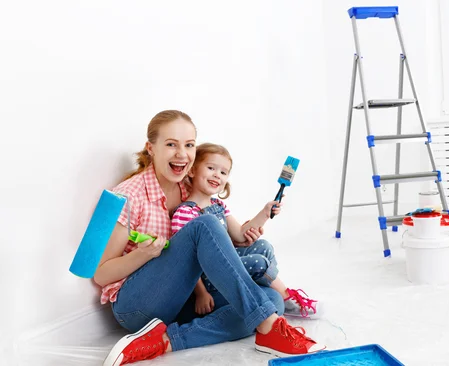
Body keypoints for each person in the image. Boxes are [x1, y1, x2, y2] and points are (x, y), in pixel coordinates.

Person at [94, 110, 325, 366]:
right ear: (152, 148)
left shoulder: (188, 185)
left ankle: (166, 341)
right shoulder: (129, 195)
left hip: (181, 300)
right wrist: (143, 253)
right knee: (205, 224)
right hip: (137, 306)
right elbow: (102, 274)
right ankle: (270, 329)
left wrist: (261, 217)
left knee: (269, 301)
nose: (182, 154)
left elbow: (222, 243)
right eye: (171, 144)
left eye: (189, 145)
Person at [170, 142, 319, 320]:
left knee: (263, 246)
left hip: (227, 263)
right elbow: (187, 262)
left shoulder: (219, 205)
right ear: (192, 171)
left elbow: (240, 234)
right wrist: (201, 293)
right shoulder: (185, 212)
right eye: (211, 168)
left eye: (223, 172)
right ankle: (288, 298)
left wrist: (265, 212)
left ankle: (269, 291)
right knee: (258, 262)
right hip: (208, 275)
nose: (217, 175)